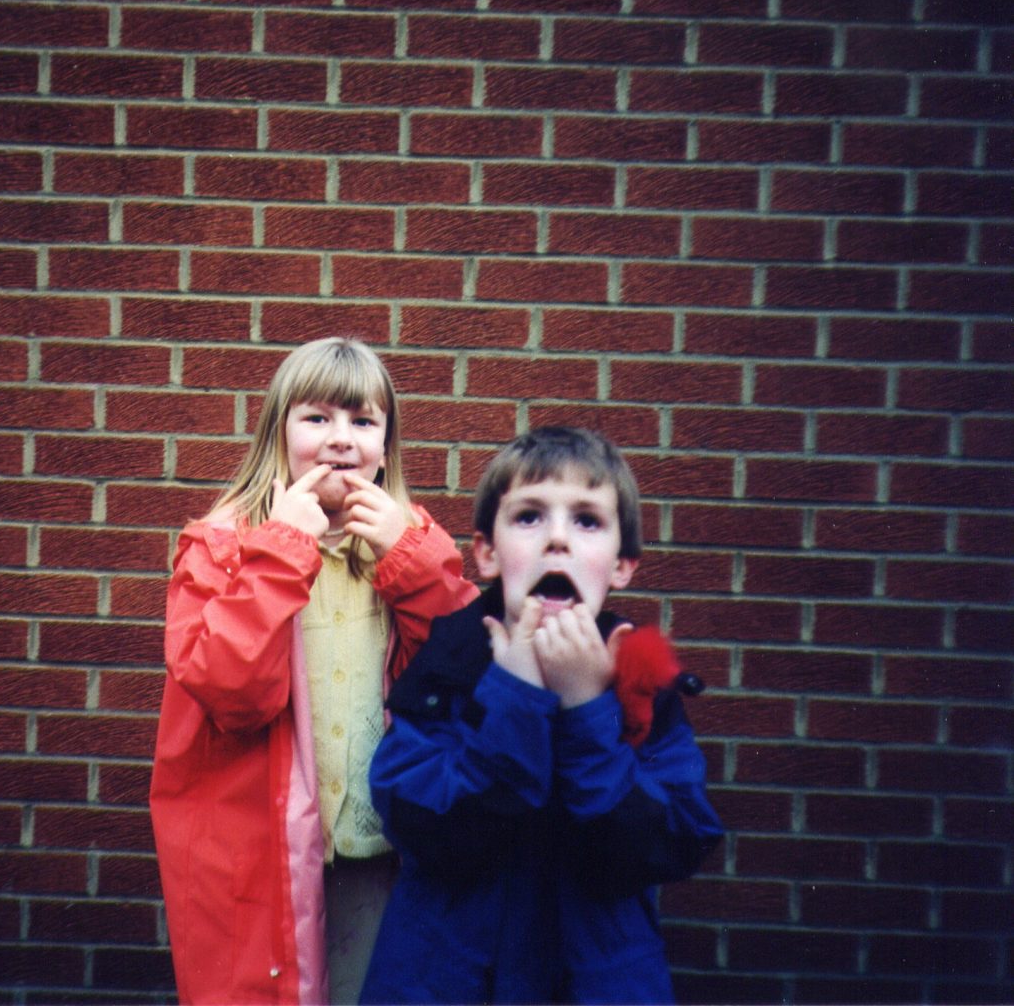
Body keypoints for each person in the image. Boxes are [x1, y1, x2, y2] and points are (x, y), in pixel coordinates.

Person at [150, 337, 479, 1005]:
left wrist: (411, 562)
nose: (340, 439)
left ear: (386, 446)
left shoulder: (413, 542)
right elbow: (232, 690)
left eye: (362, 421)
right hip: (258, 857)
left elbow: (467, 674)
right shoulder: (220, 548)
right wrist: (282, 548)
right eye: (317, 418)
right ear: (278, 432)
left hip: (382, 852)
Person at [360, 426, 724, 1005]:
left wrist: (587, 708)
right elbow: (424, 826)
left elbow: (666, 844)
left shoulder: (644, 689)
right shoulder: (446, 666)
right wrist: (514, 694)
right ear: (487, 552)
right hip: (447, 979)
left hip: (595, 982)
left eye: (587, 521)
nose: (558, 540)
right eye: (529, 517)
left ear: (623, 564)